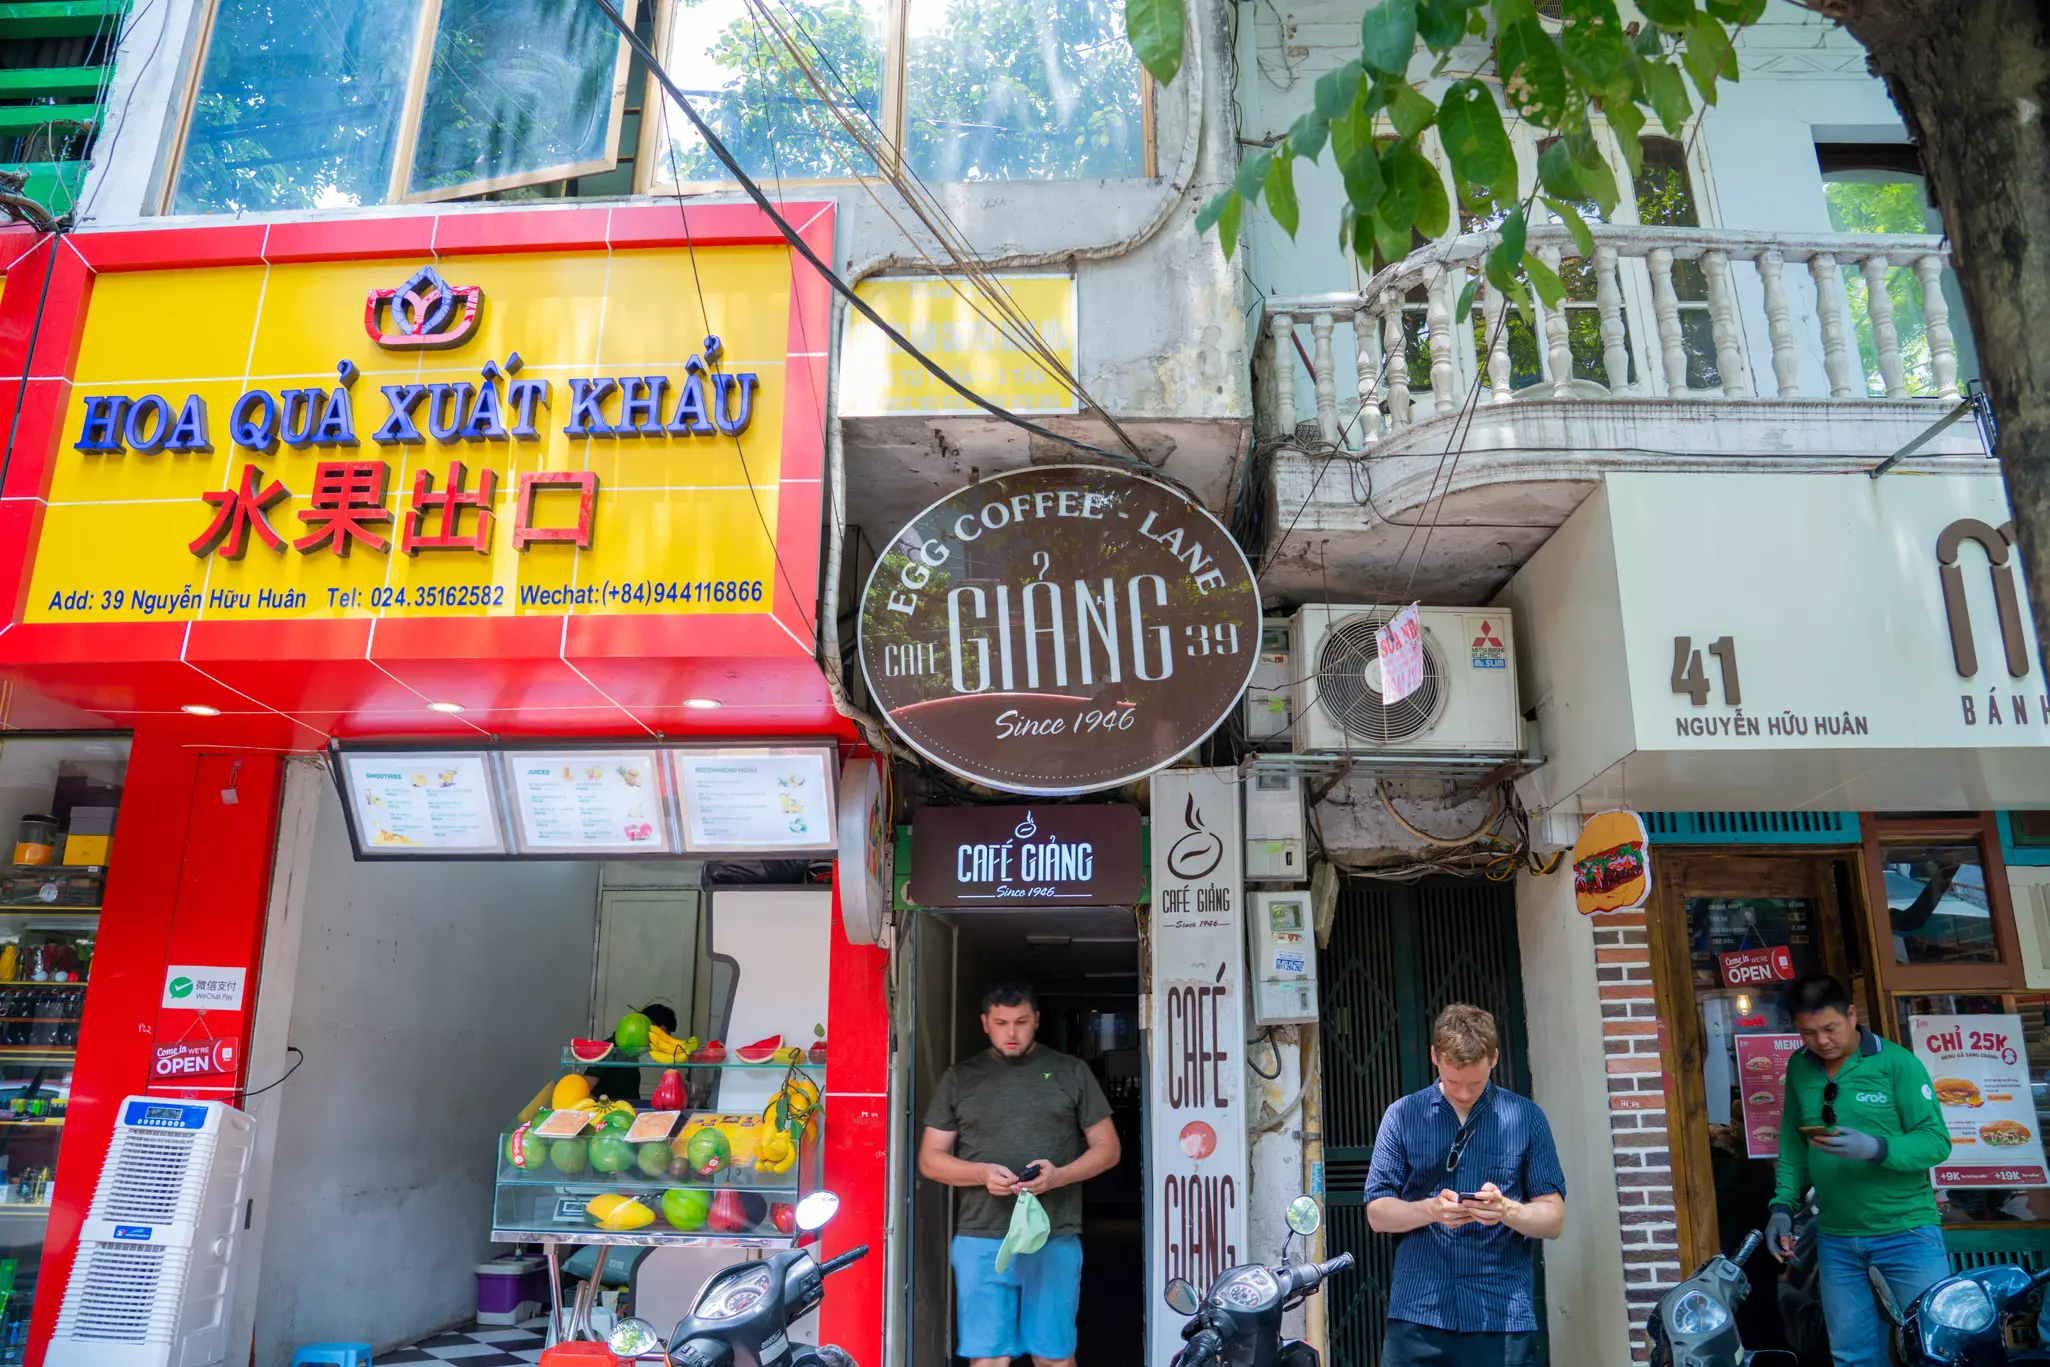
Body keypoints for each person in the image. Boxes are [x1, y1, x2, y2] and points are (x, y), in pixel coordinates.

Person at [918, 981, 1121, 1367]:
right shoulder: (960, 1078)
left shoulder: (1071, 1072)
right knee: (989, 1361)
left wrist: (1058, 1176)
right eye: (1001, 1022)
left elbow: (1108, 1149)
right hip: (982, 1238)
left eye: (1021, 1022)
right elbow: (931, 1159)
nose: (1011, 1032)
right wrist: (981, 1174)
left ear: (1037, 1021)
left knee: (1053, 1357)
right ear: (984, 1023)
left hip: (1054, 1234)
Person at [1365, 1003, 1566, 1367]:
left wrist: (1506, 1209)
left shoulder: (1526, 1117)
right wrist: (1430, 1210)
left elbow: (1553, 1220)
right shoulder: (1401, 1115)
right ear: (1434, 1057)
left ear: (1494, 1059)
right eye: (1453, 1081)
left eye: (1475, 1083)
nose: (1462, 1093)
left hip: (1501, 1312)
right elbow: (1377, 1214)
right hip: (1419, 1310)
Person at [1766, 974, 1952, 1367]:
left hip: (1908, 1233)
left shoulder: (1897, 1063)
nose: (1821, 1041)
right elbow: (1792, 1144)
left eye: (1830, 1028)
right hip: (1836, 1238)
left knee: (1937, 1350)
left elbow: (1937, 1141)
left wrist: (1877, 1147)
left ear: (1852, 1015)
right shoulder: (1799, 1067)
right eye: (1807, 1032)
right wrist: (1782, 1208)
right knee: (1852, 1357)